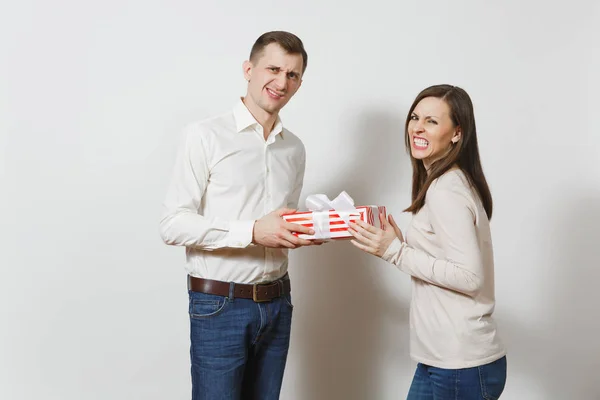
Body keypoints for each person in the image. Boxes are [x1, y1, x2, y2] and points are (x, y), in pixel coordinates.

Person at [159, 31, 316, 400]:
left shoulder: (294, 148)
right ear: (249, 69)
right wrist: (252, 232)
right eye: (273, 68)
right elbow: (172, 223)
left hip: (278, 303)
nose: (282, 82)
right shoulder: (204, 135)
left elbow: (278, 223)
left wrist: (304, 229)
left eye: (292, 75)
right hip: (219, 306)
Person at [348, 84, 507, 399]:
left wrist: (395, 251)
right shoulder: (446, 181)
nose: (418, 127)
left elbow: (470, 276)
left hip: (461, 364)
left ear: (456, 133)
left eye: (432, 121)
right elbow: (445, 258)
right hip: (441, 359)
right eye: (415, 117)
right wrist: (399, 244)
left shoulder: (446, 189)